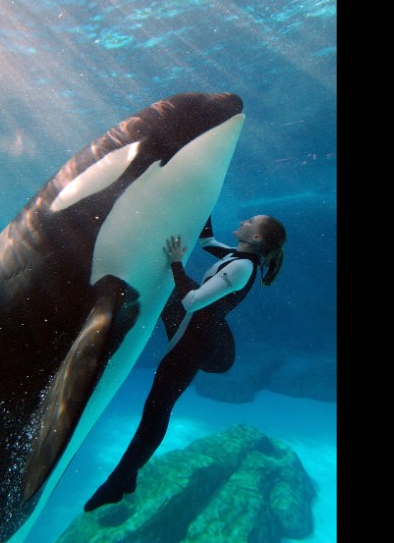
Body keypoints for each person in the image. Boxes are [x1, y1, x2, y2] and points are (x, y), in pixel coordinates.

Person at [84, 214, 287, 512]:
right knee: (155, 410)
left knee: (155, 412)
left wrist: (176, 263)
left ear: (256, 238)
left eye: (251, 221)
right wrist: (200, 206)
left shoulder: (243, 267)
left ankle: (116, 483)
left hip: (193, 343)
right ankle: (126, 478)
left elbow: (192, 301)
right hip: (195, 333)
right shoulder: (237, 255)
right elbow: (207, 242)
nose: (244, 220)